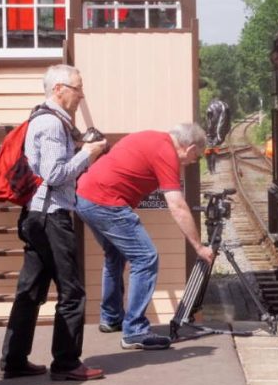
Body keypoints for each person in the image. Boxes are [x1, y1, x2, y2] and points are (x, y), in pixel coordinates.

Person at [0, 65, 108, 382]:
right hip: (51, 215)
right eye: (78, 87)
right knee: (72, 292)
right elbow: (55, 174)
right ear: (59, 88)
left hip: (36, 214)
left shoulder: (43, 119)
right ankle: (66, 362)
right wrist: (88, 153)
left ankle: (15, 359)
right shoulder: (51, 124)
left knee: (30, 290)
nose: (81, 94)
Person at [76, 123, 215, 350]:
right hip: (105, 201)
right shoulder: (167, 152)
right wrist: (199, 247)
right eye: (195, 157)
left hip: (85, 197)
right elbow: (177, 205)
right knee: (146, 257)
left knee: (115, 255)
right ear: (189, 148)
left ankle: (111, 319)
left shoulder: (152, 137)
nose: (191, 162)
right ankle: (135, 331)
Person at [204, 98, 229, 173]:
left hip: (209, 134)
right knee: (213, 152)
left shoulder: (210, 108)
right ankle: (212, 169)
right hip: (215, 135)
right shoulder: (222, 107)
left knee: (209, 152)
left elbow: (208, 120)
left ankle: (210, 169)